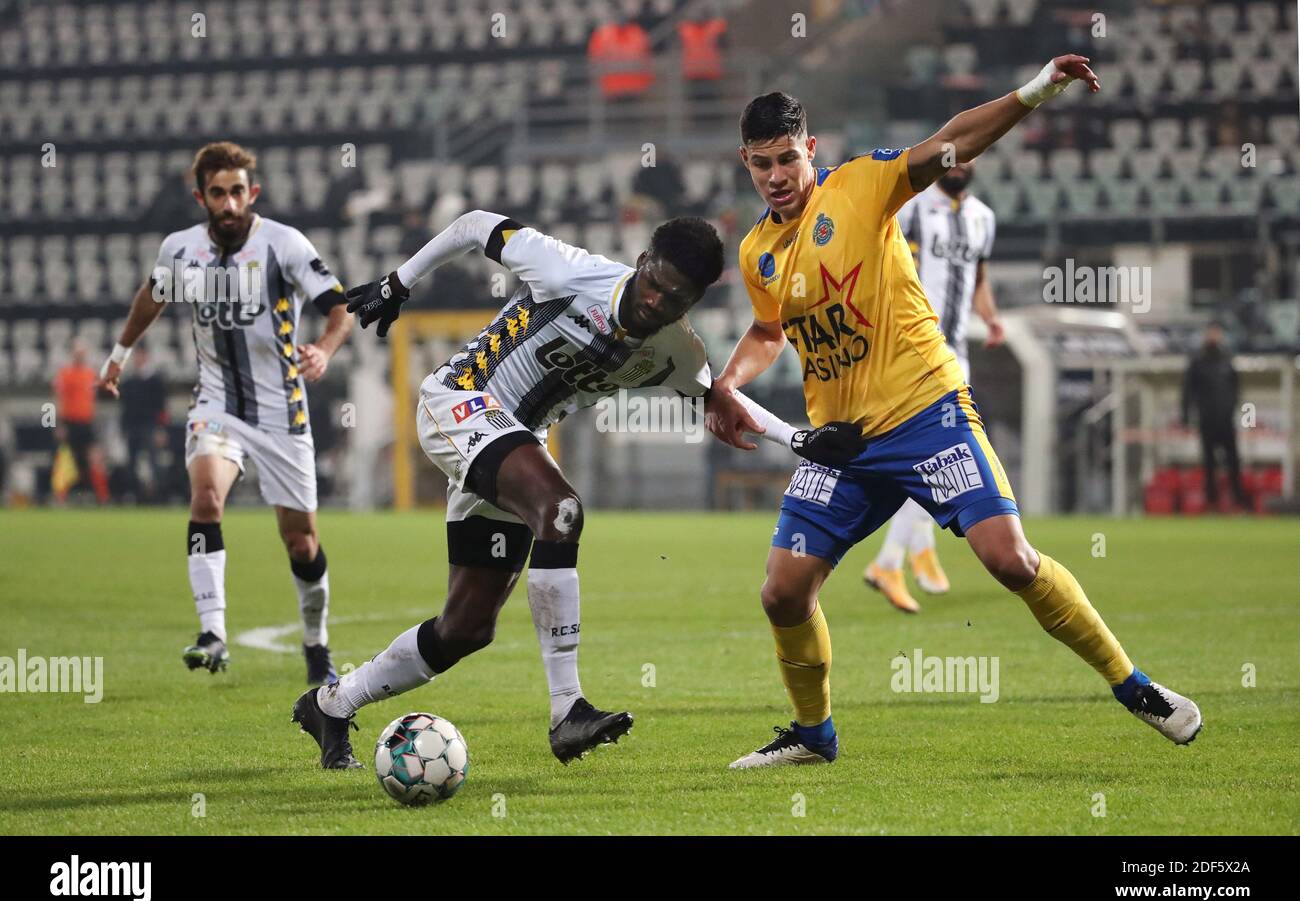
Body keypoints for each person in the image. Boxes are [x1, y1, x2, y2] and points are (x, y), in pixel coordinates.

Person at [707, 56, 1202, 769]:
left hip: (925, 411)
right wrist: (727, 381)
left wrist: (1035, 89)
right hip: (843, 445)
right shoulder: (757, 251)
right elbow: (766, 333)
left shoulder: (860, 187)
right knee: (782, 593)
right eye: (762, 165)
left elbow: (953, 143)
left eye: (788, 158)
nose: (777, 175)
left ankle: (1137, 687)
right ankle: (813, 735)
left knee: (1011, 561)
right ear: (745, 163)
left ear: (809, 149)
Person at [290, 211, 860, 769]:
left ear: (694, 302)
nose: (656, 302)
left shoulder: (676, 349)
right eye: (654, 283)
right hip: (460, 400)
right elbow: (472, 224)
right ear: (641, 262)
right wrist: (398, 282)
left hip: (513, 443)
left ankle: (332, 705)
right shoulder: (569, 273)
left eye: (676, 298)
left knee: (465, 629)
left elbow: (717, 398)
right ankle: (568, 710)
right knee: (561, 510)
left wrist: (799, 440)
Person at [98, 141, 355, 683]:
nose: (230, 203)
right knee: (207, 496)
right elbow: (153, 295)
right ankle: (212, 632)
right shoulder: (180, 249)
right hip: (216, 403)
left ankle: (316, 643)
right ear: (202, 198)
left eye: (238, 191)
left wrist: (324, 351)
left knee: (301, 541)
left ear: (252, 192)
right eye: (218, 194)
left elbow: (338, 306)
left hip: (282, 410)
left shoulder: (283, 244)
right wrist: (119, 355)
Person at [865, 158, 1005, 613]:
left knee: (941, 461)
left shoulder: (984, 217)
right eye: (955, 156)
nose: (962, 164)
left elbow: (978, 280)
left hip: (956, 351)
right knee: (941, 460)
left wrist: (992, 318)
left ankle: (915, 550)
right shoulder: (913, 208)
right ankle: (893, 560)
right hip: (913, 347)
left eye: (970, 157)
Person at [1182, 321, 1249, 509]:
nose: (1213, 336)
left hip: (1226, 419)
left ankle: (1238, 500)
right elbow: (1188, 390)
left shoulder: (1227, 359)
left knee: (1233, 461)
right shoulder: (1197, 361)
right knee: (1209, 463)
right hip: (1206, 418)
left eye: (1216, 333)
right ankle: (1212, 501)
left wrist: (1232, 407)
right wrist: (1185, 417)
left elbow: (1236, 387)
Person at [52, 340, 109, 504]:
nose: (80, 356)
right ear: (73, 354)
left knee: (95, 458)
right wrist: (57, 424)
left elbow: (93, 401)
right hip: (69, 423)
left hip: (87, 423)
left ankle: (103, 497)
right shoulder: (65, 374)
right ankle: (60, 497)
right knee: (65, 460)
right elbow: (56, 400)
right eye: (78, 353)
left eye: (82, 353)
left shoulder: (90, 374)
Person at [118, 346, 169, 503]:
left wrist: (161, 429)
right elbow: (125, 407)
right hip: (133, 427)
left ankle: (158, 496)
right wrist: (124, 427)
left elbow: (161, 408)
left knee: (154, 462)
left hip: (150, 426)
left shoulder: (156, 381)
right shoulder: (128, 382)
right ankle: (134, 494)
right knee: (131, 462)